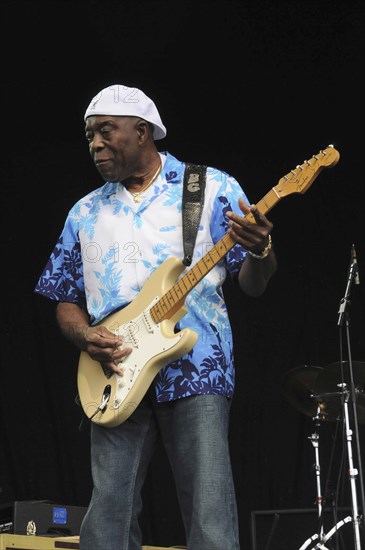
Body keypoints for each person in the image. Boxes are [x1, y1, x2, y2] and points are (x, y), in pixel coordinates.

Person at [35, 83, 277, 550]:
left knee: (210, 518)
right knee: (107, 519)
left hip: (196, 367)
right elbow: (63, 296)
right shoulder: (84, 212)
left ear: (142, 131)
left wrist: (262, 250)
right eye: (90, 136)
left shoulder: (210, 188)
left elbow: (252, 282)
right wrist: (85, 336)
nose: (95, 144)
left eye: (106, 132)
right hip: (115, 371)